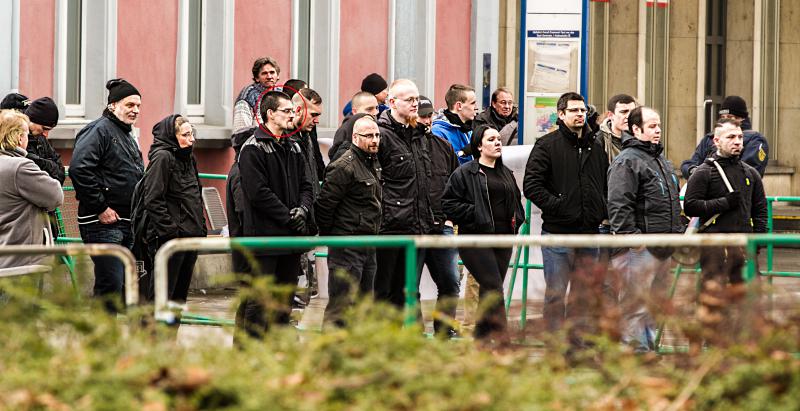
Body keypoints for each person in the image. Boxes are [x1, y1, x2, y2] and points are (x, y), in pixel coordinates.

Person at [523, 92, 608, 344]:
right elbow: (532, 185)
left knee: (583, 294)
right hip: (558, 233)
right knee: (556, 293)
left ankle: (577, 342)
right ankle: (554, 342)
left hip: (589, 232)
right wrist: (559, 206)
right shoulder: (547, 145)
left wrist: (600, 209)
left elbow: (603, 182)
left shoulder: (595, 146)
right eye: (573, 110)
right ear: (561, 114)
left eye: (582, 110)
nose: (580, 115)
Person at [236, 90, 314, 338]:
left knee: (284, 301)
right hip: (265, 238)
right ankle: (250, 353)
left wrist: (302, 209)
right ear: (270, 114)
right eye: (287, 111)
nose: (293, 115)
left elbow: (307, 184)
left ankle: (278, 350)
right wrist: (287, 216)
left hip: (291, 238)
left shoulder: (293, 146)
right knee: (259, 302)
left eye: (293, 110)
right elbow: (258, 193)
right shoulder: (253, 148)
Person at [607, 106, 684, 353]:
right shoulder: (627, 160)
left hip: (664, 245)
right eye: (651, 126)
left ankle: (647, 348)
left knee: (653, 303)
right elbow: (619, 203)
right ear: (636, 129)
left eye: (659, 125)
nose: (658, 130)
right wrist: (632, 238)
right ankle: (635, 352)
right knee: (636, 301)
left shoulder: (660, 160)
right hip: (641, 247)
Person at [683, 118, 768, 342]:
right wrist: (723, 203)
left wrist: (756, 244)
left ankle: (745, 346)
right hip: (714, 248)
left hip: (743, 248)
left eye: (740, 137)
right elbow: (690, 206)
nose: (737, 142)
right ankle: (711, 347)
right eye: (731, 137)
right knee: (713, 300)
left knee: (748, 300)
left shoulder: (751, 174)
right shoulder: (704, 172)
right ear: (716, 140)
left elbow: (760, 211)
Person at [442, 125, 524, 341]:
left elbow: (516, 201)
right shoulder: (465, 172)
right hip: (475, 239)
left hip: (503, 238)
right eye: (491, 139)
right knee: (494, 286)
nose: (497, 142)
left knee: (489, 292)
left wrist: (517, 221)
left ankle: (481, 337)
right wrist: (476, 213)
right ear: (479, 145)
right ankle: (503, 338)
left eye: (498, 139)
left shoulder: (506, 173)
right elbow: (448, 204)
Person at [70, 78, 144, 312]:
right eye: (130, 105)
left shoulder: (126, 134)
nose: (135, 110)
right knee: (110, 285)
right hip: (103, 222)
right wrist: (100, 207)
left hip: (125, 220)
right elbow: (79, 168)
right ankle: (100, 341)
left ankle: (112, 340)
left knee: (122, 288)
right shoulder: (99, 130)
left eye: (138, 106)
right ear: (113, 105)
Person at [316, 116, 382, 326]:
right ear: (355, 137)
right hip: (347, 243)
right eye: (369, 136)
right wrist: (334, 237)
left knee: (365, 303)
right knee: (341, 305)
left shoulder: (373, 161)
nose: (375, 140)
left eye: (377, 135)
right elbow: (325, 205)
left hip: (369, 242)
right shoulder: (344, 165)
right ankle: (330, 352)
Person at [374, 79, 434, 308]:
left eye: (417, 99)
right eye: (409, 99)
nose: (415, 104)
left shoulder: (418, 136)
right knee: (382, 290)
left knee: (407, 291)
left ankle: (403, 340)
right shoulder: (380, 135)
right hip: (389, 225)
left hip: (416, 223)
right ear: (392, 102)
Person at [138, 115, 207, 302]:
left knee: (179, 298)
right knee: (162, 296)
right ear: (172, 136)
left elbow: (195, 193)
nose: (191, 139)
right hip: (170, 240)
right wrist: (170, 232)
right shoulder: (163, 158)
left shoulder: (189, 158)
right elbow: (152, 199)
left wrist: (200, 227)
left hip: (190, 237)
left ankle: (170, 332)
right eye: (185, 135)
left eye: (192, 133)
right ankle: (154, 332)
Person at [418, 94, 461, 337]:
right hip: (413, 225)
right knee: (409, 286)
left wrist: (450, 218)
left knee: (450, 283)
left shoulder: (443, 146)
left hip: (440, 224)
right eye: (423, 115)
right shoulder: (402, 144)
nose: (427, 120)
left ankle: (445, 331)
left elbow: (456, 183)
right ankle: (413, 333)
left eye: (429, 115)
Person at [0, 110, 63, 269]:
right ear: (19, 137)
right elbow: (55, 196)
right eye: (27, 134)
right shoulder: (20, 167)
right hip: (22, 260)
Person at [681, 95, 768, 178]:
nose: (726, 121)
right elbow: (691, 163)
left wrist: (710, 175)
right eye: (723, 117)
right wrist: (694, 171)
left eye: (730, 117)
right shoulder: (710, 138)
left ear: (741, 119)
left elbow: (749, 173)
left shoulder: (755, 140)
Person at [23, 97, 65, 184]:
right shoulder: (17, 141)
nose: (46, 134)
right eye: (44, 128)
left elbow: (61, 174)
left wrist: (43, 163)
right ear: (32, 120)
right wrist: (49, 164)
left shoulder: (40, 138)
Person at [431, 84, 477, 164]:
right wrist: (463, 153)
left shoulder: (467, 128)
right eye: (472, 103)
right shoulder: (437, 131)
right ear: (459, 106)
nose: (476, 107)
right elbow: (440, 164)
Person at [329, 91, 380, 162]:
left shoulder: (376, 126)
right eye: (369, 109)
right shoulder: (344, 131)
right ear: (355, 111)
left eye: (377, 108)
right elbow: (338, 163)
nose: (376, 112)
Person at [233, 57, 281, 131]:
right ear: (256, 78)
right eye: (264, 73)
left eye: (272, 72)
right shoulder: (247, 95)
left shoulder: (281, 93)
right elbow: (241, 131)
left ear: (277, 76)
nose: (269, 77)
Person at [597, 94, 637, 164]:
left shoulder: (643, 138)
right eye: (624, 112)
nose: (629, 116)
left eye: (633, 112)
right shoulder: (599, 141)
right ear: (610, 115)